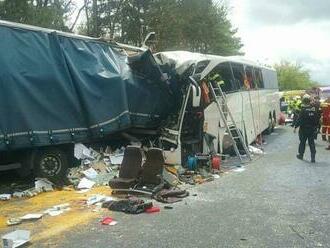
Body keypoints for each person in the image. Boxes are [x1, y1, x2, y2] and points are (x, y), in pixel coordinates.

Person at [294, 94, 319, 163]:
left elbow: (299, 120)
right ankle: (313, 158)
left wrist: (295, 127)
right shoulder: (314, 110)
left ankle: (301, 155)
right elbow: (317, 119)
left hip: (303, 129)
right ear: (309, 102)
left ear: (304, 102)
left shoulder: (303, 110)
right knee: (312, 143)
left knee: (302, 142)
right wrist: (316, 128)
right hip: (312, 129)